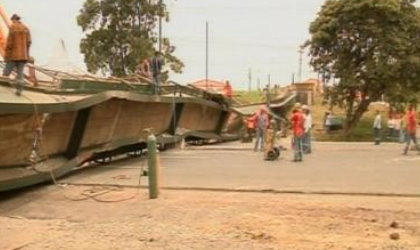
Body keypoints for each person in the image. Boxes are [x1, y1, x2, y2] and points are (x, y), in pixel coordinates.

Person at [3, 14, 31, 96]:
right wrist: (26, 54)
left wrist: (6, 56)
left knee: (6, 73)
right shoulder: (26, 28)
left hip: (13, 56)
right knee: (20, 74)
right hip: (23, 56)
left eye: (12, 21)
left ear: (14, 20)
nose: (12, 22)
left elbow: (9, 44)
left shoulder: (13, 28)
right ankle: (19, 91)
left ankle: (2, 92)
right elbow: (29, 43)